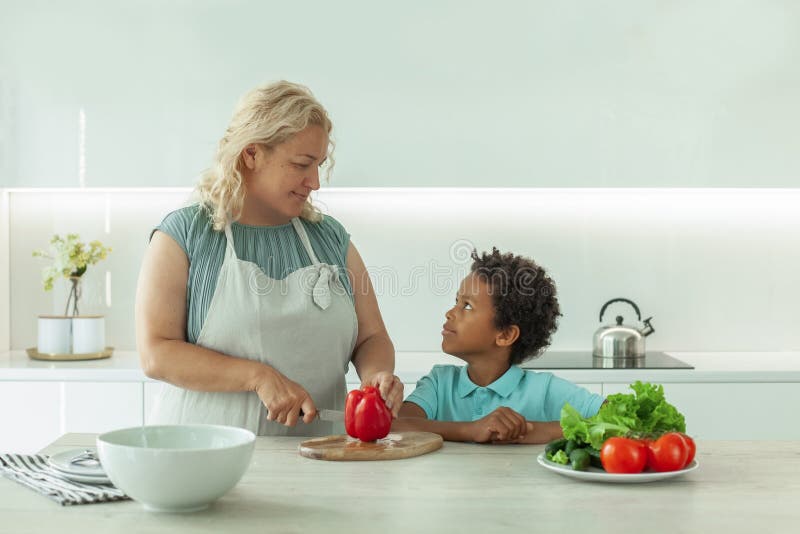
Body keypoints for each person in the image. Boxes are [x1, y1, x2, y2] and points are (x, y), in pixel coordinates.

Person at [135, 81, 403, 436]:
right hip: (201, 458)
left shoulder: (331, 238)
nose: (315, 182)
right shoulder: (185, 234)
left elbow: (371, 338)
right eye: (302, 164)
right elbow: (157, 353)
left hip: (317, 460)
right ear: (251, 154)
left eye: (320, 165)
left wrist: (377, 377)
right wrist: (257, 377)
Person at [392, 248, 603, 443]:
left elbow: (614, 417)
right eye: (456, 301)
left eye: (466, 305)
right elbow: (396, 425)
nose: (450, 312)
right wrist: (471, 430)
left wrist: (532, 430)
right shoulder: (439, 383)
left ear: (505, 334)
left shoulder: (544, 389)